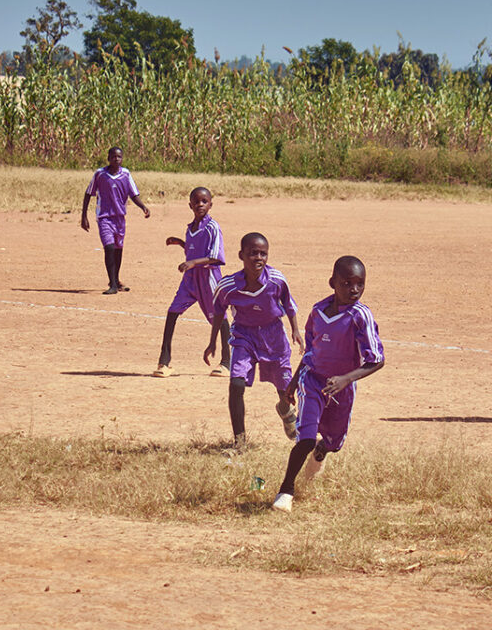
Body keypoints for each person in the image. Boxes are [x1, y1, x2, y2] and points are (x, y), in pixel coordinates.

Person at [271, 256, 384, 513]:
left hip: (341, 389)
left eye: (360, 284)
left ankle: (322, 452)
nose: (354, 289)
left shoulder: (360, 316)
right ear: (333, 282)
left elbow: (377, 360)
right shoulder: (318, 311)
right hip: (313, 382)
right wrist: (294, 382)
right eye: (347, 283)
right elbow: (310, 351)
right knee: (306, 438)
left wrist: (346, 379)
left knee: (333, 442)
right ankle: (285, 491)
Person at [205, 233, 302, 450]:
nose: (258, 258)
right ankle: (239, 442)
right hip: (243, 336)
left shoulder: (276, 280)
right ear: (241, 255)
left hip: (273, 336)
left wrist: (296, 330)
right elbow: (219, 311)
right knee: (236, 384)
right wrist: (212, 342)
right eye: (252, 253)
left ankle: (285, 409)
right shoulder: (228, 285)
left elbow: (289, 304)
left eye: (263, 254)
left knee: (284, 390)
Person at [155, 187, 230, 377]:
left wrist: (192, 263)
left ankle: (227, 362)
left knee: (220, 319)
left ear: (211, 204)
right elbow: (194, 248)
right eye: (196, 202)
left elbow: (216, 257)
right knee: (172, 312)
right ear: (190, 205)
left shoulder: (212, 227)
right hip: (190, 280)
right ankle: (164, 362)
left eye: (204, 201)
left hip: (208, 279)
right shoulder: (190, 228)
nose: (200, 205)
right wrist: (181, 243)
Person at [80, 146, 150, 295]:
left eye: (119, 157)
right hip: (104, 217)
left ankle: (116, 280)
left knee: (118, 250)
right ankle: (112, 284)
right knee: (109, 248)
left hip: (120, 218)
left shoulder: (126, 174)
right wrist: (84, 216)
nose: (116, 159)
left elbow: (133, 194)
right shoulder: (100, 174)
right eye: (113, 157)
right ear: (108, 158)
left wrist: (143, 206)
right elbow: (88, 194)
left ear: (122, 159)